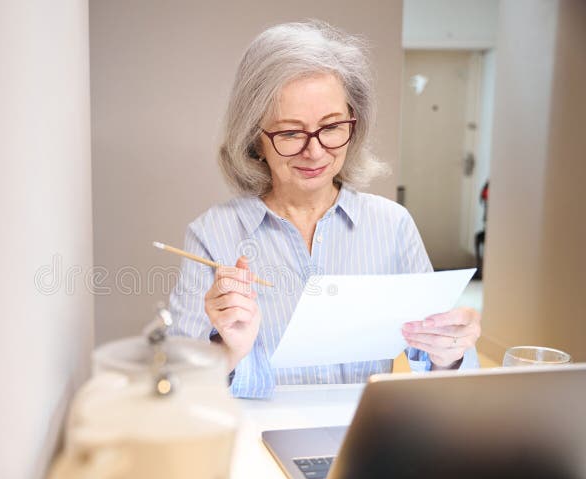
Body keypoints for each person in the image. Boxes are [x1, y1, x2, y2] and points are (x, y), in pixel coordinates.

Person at [168, 21, 481, 399]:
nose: (314, 152)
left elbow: (443, 375)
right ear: (254, 138)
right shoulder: (213, 234)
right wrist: (228, 351)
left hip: (364, 437)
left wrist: (448, 354)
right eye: (290, 133)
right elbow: (177, 387)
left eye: (331, 127)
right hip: (255, 443)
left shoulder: (392, 225)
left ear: (354, 122)